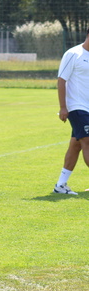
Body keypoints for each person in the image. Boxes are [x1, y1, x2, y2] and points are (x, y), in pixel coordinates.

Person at [53, 28, 89, 195]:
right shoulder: (73, 54)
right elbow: (61, 80)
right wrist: (63, 107)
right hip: (77, 107)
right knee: (87, 142)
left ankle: (61, 185)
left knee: (76, 145)